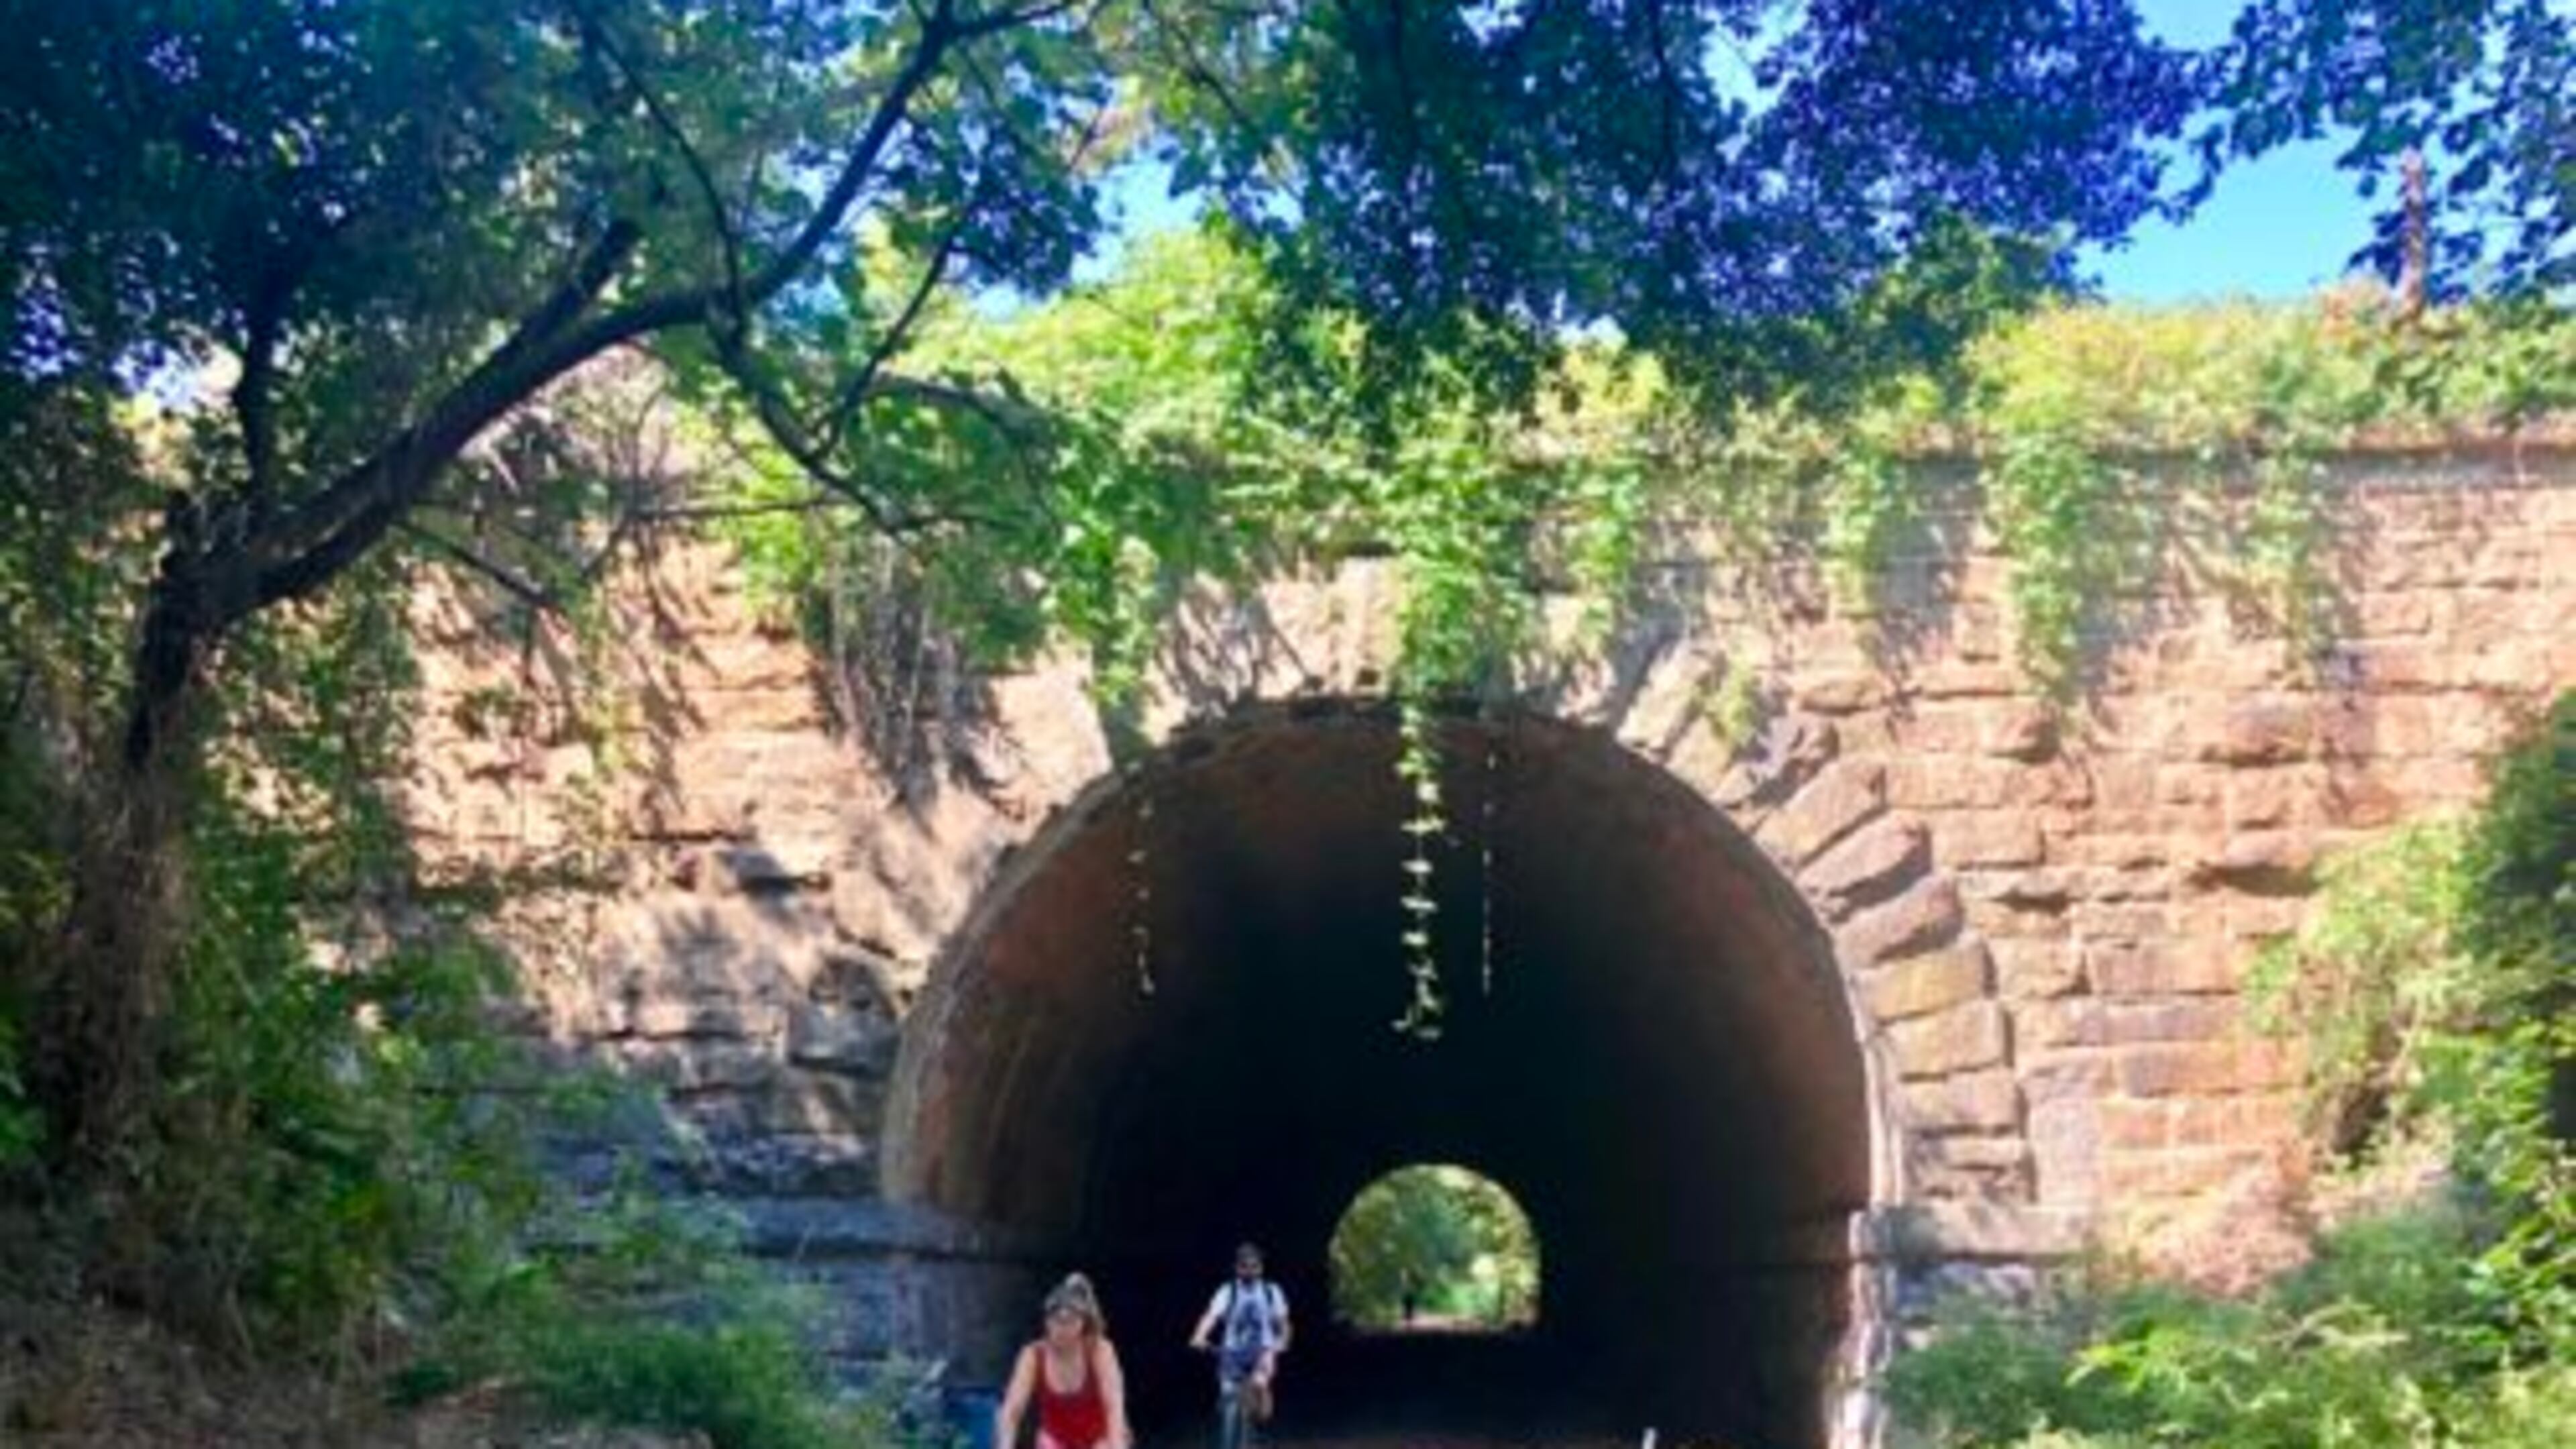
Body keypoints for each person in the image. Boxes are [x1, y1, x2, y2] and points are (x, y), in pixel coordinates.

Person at [996, 1273, 1133, 1449]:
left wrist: (1116, 1445)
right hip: (1056, 1441)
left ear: (1082, 1323)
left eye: (1070, 1321)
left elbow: (1113, 1408)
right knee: (1045, 1441)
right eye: (1058, 1321)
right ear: (1047, 1322)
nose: (1063, 1329)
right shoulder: (1033, 1355)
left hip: (1100, 1440)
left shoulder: (1099, 1350)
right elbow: (1012, 1411)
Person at [1187, 1242, 1292, 1425]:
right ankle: (1229, 1424)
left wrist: (1282, 1341)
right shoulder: (1228, 1291)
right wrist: (1199, 1336)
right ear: (1237, 1268)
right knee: (1227, 1392)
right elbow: (1211, 1316)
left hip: (1263, 1351)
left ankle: (1258, 1412)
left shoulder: (1271, 1292)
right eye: (1245, 1266)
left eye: (1255, 1266)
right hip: (1232, 1351)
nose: (1250, 1271)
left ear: (1261, 1268)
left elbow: (1283, 1322)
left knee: (1259, 1385)